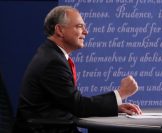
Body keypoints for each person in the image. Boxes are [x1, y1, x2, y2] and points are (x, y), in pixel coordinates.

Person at [14, 6, 142, 133]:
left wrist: (114, 107)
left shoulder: (52, 54)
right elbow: (78, 106)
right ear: (60, 30)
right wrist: (121, 93)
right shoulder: (52, 62)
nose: (86, 32)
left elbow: (71, 103)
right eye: (79, 26)